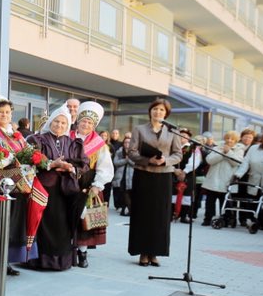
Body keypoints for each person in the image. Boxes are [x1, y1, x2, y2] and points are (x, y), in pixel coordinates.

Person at [26, 106, 88, 270]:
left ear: (68, 125)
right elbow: (30, 160)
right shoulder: (38, 140)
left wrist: (71, 168)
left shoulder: (73, 143)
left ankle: (60, 262)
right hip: (44, 190)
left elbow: (84, 164)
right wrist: (52, 164)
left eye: (63, 123)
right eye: (56, 121)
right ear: (50, 122)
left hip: (65, 191)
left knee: (62, 226)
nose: (59, 125)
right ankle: (39, 261)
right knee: (42, 225)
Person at [127, 98, 184, 267]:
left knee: (160, 216)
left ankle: (155, 253)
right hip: (143, 174)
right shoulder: (139, 129)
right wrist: (147, 160)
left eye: (161, 110)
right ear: (150, 111)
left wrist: (165, 160)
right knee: (142, 214)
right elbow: (131, 152)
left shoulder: (173, 131)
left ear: (166, 113)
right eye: (155, 109)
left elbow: (178, 154)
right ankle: (143, 253)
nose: (158, 112)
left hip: (163, 176)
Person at [0, 95, 30, 277]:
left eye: (8, 112)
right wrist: (13, 158)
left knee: (13, 225)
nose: (5, 115)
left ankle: (6, 262)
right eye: (1, 111)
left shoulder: (16, 134)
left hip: (17, 185)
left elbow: (27, 152)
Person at [71, 102, 114, 268]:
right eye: (84, 121)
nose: (86, 124)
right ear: (78, 121)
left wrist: (97, 185)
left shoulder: (99, 144)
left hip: (88, 185)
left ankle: (82, 253)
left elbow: (105, 167)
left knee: (84, 223)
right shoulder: (68, 136)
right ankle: (67, 252)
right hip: (67, 183)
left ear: (94, 125)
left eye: (90, 122)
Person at [201, 131, 245, 226]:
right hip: (213, 179)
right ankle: (207, 219)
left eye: (232, 139)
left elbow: (236, 162)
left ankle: (225, 220)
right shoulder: (217, 147)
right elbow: (209, 160)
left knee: (225, 202)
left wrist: (228, 152)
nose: (229, 140)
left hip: (227, 180)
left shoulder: (239, 150)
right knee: (210, 202)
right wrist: (222, 153)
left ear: (236, 140)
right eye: (227, 138)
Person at [234, 130, 263, 231]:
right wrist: (238, 174)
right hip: (254, 178)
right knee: (253, 201)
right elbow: (246, 162)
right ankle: (253, 221)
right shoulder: (254, 148)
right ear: (262, 139)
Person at [112, 134, 134, 216]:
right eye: (125, 142)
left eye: (129, 142)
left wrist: (129, 160)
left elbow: (136, 164)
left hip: (130, 176)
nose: (127, 144)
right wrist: (125, 160)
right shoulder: (119, 152)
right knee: (122, 192)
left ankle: (129, 209)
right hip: (120, 176)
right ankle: (124, 208)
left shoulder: (134, 152)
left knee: (129, 193)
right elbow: (116, 162)